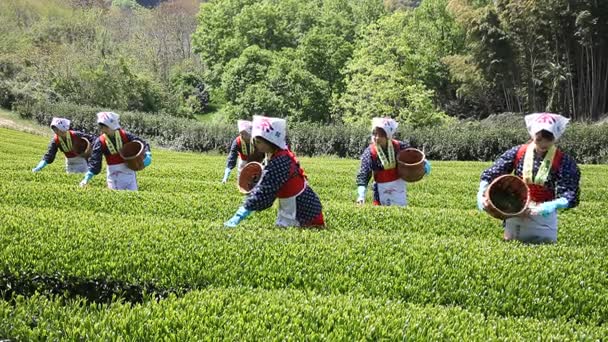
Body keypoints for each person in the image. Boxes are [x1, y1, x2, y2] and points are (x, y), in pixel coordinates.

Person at [477, 113, 581, 243]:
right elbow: (493, 172)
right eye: (539, 140)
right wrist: (482, 191)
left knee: (544, 253)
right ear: (533, 135)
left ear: (556, 138)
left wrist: (550, 206)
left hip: (543, 216)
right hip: (515, 210)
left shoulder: (564, 161)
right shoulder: (518, 152)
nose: (543, 145)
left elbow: (570, 194)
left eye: (548, 140)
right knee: (512, 248)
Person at [224, 115, 324, 228]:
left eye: (259, 142)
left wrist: (241, 213)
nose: (256, 145)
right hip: (295, 203)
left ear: (270, 141)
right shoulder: (278, 154)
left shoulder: (280, 161)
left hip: (302, 209)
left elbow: (264, 192)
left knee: (294, 234)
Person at [356, 117, 430, 206]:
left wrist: (425, 166)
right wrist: (361, 195)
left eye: (380, 135)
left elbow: (415, 156)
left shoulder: (399, 146)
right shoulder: (370, 152)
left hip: (399, 187)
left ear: (388, 136)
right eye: (374, 134)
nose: (376, 138)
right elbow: (364, 174)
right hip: (380, 190)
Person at [79, 112, 151, 190]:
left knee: (132, 196)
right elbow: (95, 161)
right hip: (113, 174)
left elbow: (142, 143)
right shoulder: (100, 141)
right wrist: (87, 177)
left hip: (128, 171)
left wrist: (148, 154)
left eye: (105, 127)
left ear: (112, 126)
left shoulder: (126, 136)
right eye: (101, 127)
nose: (103, 130)